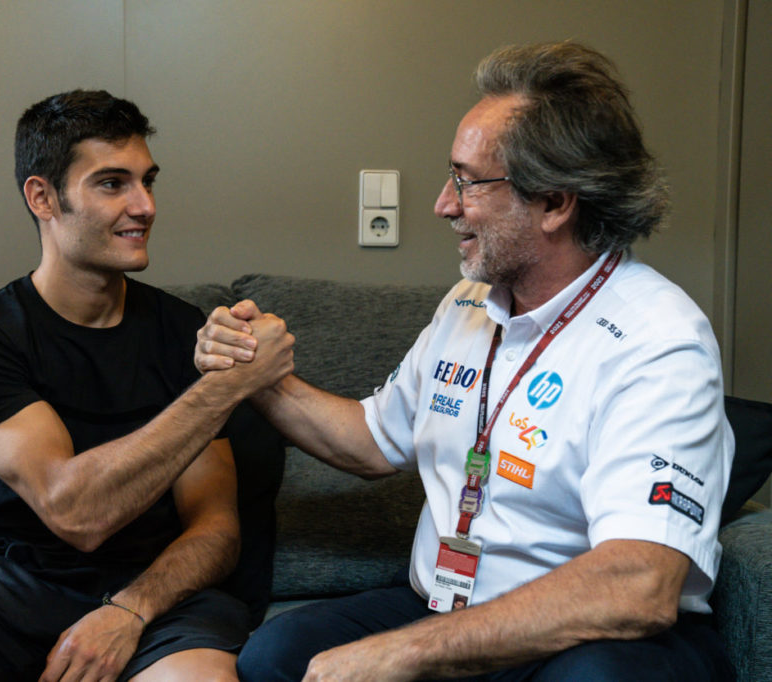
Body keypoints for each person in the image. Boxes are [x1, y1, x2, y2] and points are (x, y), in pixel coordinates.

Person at [196, 42, 735, 681]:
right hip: (449, 608)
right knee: (276, 656)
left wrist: (402, 652)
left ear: (554, 202)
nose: (444, 205)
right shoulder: (468, 304)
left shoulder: (658, 341)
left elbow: (638, 584)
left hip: (586, 636)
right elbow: (371, 441)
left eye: (468, 181)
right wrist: (256, 373)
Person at [0, 89, 294, 682]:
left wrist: (129, 610)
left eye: (148, 181)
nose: (145, 206)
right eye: (112, 183)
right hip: (16, 586)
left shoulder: (186, 334)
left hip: (158, 595)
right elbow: (77, 513)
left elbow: (217, 529)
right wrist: (222, 389)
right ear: (42, 197)